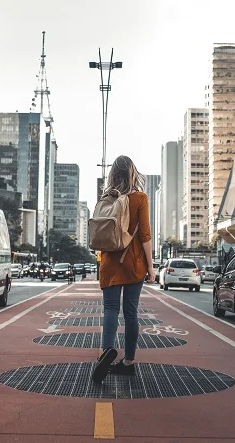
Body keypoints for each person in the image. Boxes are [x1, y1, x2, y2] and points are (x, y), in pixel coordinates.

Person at [92, 156, 155, 384]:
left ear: (112, 175)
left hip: (110, 263)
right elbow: (145, 236)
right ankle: (128, 362)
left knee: (110, 309)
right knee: (131, 313)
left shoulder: (106, 199)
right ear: (132, 173)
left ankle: (107, 351)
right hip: (134, 264)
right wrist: (151, 267)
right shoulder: (140, 198)